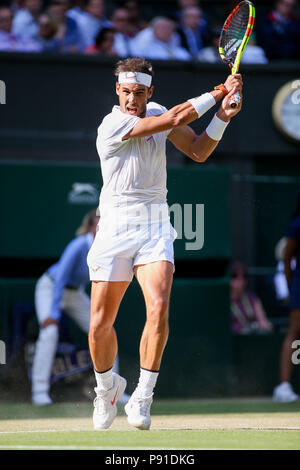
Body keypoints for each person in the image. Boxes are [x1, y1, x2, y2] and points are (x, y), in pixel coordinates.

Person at [87, 56, 243, 430]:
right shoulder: (112, 123)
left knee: (158, 306)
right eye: (126, 91)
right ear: (117, 91)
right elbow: (175, 119)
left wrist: (222, 116)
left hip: (155, 223)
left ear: (149, 92)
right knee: (98, 325)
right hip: (113, 226)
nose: (131, 99)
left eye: (139, 93)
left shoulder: (157, 110)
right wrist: (220, 90)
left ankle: (142, 397)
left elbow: (199, 151)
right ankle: (106, 387)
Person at [31, 209, 129, 405]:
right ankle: (39, 392)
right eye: (99, 224)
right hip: (50, 288)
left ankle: (112, 391)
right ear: (91, 227)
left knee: (106, 331)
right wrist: (54, 313)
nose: (103, 228)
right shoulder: (78, 245)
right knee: (49, 332)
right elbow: (60, 278)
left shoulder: (106, 248)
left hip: (75, 294)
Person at [273, 191, 300, 402]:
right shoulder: (297, 224)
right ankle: (283, 386)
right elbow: (287, 256)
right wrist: (292, 284)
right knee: (295, 331)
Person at [230, 261, 273, 334]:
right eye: (235, 276)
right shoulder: (223, 300)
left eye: (244, 276)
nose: (240, 280)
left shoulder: (252, 298)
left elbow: (263, 320)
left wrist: (263, 325)